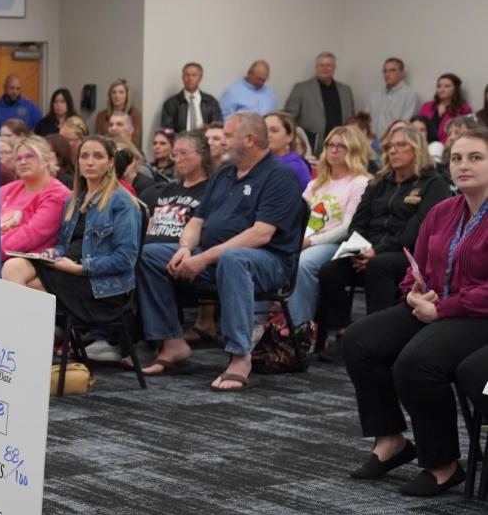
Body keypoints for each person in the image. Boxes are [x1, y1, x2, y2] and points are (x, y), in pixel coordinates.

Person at [342, 127, 488, 496]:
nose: (463, 166)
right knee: (361, 340)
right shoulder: (442, 211)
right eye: (456, 158)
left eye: (475, 158)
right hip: (435, 306)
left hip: (478, 316)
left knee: (416, 362)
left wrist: (443, 309)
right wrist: (413, 294)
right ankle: (391, 440)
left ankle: (443, 464)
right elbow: (415, 267)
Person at [137, 112, 304, 390]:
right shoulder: (224, 175)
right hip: (213, 257)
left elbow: (261, 234)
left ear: (249, 140)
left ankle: (240, 356)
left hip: (268, 262)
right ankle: (172, 342)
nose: (221, 143)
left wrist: (203, 257)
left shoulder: (279, 176)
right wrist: (186, 249)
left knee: (232, 258)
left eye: (228, 136)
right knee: (150, 255)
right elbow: (197, 221)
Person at [315, 126, 451, 359]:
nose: (392, 151)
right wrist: (359, 250)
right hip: (367, 252)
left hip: (406, 254)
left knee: (380, 266)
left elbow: (418, 229)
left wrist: (375, 252)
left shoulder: (433, 183)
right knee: (329, 270)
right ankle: (343, 332)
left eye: (400, 145)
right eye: (388, 146)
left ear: (416, 149)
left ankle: (375, 338)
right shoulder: (378, 182)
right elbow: (358, 223)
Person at [23, 135, 140, 323]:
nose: (90, 162)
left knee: (28, 287)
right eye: (84, 156)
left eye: (98, 156)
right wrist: (54, 252)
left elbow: (125, 260)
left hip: (100, 286)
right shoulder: (73, 200)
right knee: (14, 265)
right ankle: (17, 343)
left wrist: (80, 268)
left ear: (110, 163)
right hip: (68, 269)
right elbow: (65, 244)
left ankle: (21, 343)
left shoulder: (122, 202)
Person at [285, 126, 372, 333]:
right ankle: (262, 323)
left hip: (336, 243)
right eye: (330, 145)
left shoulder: (360, 182)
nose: (334, 150)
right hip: (306, 240)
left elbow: (348, 227)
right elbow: (297, 217)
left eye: (341, 146)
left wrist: (310, 242)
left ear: (353, 149)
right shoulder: (316, 183)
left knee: (304, 263)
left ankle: (300, 329)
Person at [144, 132, 217, 344]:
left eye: (184, 153)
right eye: (175, 154)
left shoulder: (211, 189)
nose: (178, 159)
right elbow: (152, 222)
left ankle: (165, 339)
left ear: (202, 155)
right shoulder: (168, 189)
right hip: (153, 247)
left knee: (145, 259)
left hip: (183, 251)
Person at [0, 136, 70, 264]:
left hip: (29, 262)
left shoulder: (57, 193)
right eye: (18, 159)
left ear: (46, 160)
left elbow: (31, 235)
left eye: (29, 156)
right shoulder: (7, 190)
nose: (23, 162)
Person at [284, 52, 355, 154]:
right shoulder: (301, 88)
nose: (325, 68)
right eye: (321, 65)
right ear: (316, 67)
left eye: (328, 65)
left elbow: (351, 119)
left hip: (341, 147)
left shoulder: (346, 91)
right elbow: (288, 119)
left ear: (334, 68)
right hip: (312, 147)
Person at [160, 62, 222, 133]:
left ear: (200, 78)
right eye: (187, 75)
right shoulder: (170, 104)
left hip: (206, 142)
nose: (190, 78)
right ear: (182, 77)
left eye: (194, 75)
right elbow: (167, 131)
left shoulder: (211, 102)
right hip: (180, 142)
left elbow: (217, 127)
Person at [366, 57, 419, 137]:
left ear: (402, 73)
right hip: (370, 142)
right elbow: (364, 120)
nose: (387, 74)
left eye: (392, 70)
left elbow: (405, 124)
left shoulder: (409, 95)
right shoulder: (375, 95)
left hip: (392, 144)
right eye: (385, 71)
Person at [418, 73, 472, 145]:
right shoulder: (427, 106)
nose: (442, 89)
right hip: (424, 144)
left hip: (449, 145)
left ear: (455, 89)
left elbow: (465, 133)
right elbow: (417, 126)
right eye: (439, 86)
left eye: (447, 86)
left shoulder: (464, 109)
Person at [264, 111, 313, 189]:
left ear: (289, 136)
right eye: (264, 130)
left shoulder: (295, 167)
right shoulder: (258, 162)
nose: (268, 135)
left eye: (274, 131)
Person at [95, 79, 141, 147]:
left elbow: (135, 141)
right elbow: (98, 140)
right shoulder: (101, 116)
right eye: (114, 92)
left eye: (121, 92)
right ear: (110, 95)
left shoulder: (135, 114)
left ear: (127, 95)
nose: (117, 95)